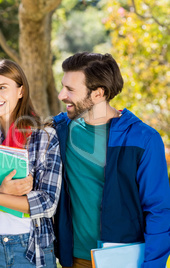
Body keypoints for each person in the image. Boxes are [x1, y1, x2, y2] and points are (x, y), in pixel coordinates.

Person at [53, 52, 170, 268]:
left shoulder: (143, 139)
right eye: (63, 86)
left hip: (126, 260)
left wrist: (152, 265)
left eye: (70, 89)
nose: (61, 95)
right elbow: (18, 130)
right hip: (75, 259)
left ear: (98, 93)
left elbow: (158, 210)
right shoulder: (59, 130)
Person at [0, 58, 62, 267]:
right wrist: (1, 193)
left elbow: (48, 203)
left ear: (21, 91)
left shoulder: (44, 137)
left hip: (32, 248)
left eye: (2, 87)